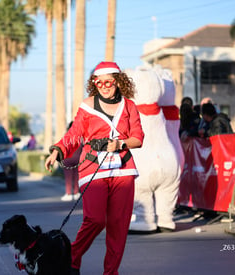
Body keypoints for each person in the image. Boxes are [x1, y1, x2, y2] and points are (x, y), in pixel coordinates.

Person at [44, 61, 144, 275]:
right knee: (96, 219)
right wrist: (57, 150)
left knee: (118, 225)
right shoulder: (87, 106)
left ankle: (111, 272)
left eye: (109, 81)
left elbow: (138, 137)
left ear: (118, 82)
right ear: (94, 84)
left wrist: (120, 144)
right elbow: (75, 134)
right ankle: (72, 257)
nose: (105, 86)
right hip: (93, 167)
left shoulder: (129, 106)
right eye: (99, 82)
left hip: (123, 169)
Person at [61, 121, 82, 201]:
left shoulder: (67, 136)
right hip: (78, 159)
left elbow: (63, 147)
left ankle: (69, 194)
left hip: (68, 159)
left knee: (68, 177)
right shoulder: (80, 136)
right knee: (76, 177)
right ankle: (76, 193)